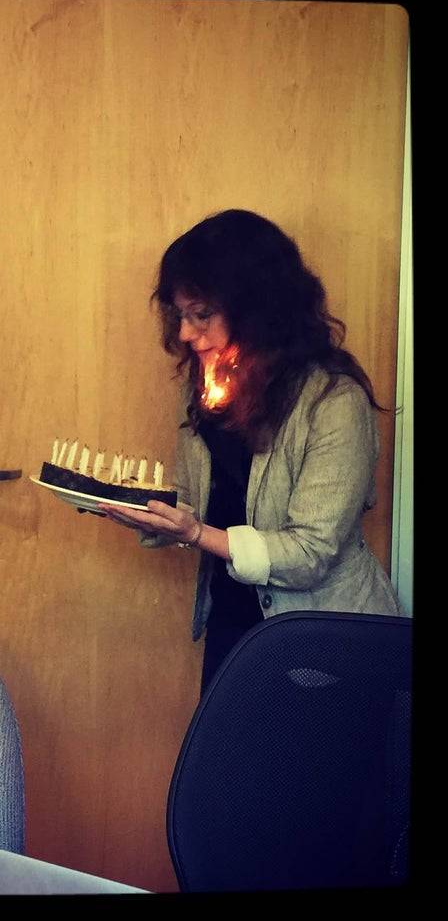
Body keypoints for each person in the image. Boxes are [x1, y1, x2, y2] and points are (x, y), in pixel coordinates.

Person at [99, 209, 402, 695]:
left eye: (201, 315)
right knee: (230, 769)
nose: (183, 333)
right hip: (234, 626)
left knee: (309, 770)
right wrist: (147, 513)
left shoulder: (334, 402)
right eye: (180, 314)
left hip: (326, 643)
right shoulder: (204, 390)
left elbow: (310, 553)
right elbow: (208, 502)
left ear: (257, 310)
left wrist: (195, 532)